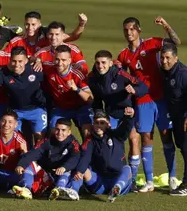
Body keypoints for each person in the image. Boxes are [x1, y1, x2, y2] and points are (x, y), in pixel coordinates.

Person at [117, 16, 181, 192]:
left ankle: (173, 176)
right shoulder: (123, 54)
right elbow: (118, 72)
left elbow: (176, 42)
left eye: (132, 29)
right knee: (146, 138)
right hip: (142, 101)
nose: (129, 32)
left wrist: (166, 25)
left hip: (161, 98)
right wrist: (128, 81)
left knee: (166, 135)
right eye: (126, 29)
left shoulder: (153, 43)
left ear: (139, 30)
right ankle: (150, 181)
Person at [88, 50, 148, 189]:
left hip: (128, 112)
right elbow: (97, 100)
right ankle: (108, 174)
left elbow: (143, 86)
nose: (100, 66)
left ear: (110, 63)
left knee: (134, 140)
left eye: (103, 63)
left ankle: (131, 180)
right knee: (112, 144)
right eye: (97, 63)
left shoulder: (121, 74)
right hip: (111, 114)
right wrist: (98, 113)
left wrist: (134, 90)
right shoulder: (93, 78)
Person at [68, 108, 135, 202]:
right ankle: (73, 191)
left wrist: (129, 117)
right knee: (83, 170)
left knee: (127, 169)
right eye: (96, 123)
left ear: (108, 124)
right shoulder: (90, 140)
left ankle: (116, 189)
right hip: (99, 182)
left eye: (102, 123)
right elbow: (85, 158)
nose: (99, 126)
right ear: (93, 124)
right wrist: (80, 171)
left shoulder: (116, 135)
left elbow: (125, 128)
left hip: (116, 178)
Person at [0, 46, 47, 142]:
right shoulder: (3, 73)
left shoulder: (35, 70)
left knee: (40, 139)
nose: (17, 64)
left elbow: (49, 85)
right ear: (10, 60)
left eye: (20, 61)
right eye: (14, 61)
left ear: (26, 61)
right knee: (16, 139)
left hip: (36, 110)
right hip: (16, 111)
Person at [11, 118, 80, 200]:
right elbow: (33, 153)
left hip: (62, 174)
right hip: (46, 175)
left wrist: (64, 167)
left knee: (72, 170)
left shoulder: (74, 143)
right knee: (30, 164)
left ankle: (59, 190)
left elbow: (75, 158)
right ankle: (26, 188)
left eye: (63, 130)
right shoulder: (47, 141)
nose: (59, 133)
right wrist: (21, 165)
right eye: (57, 129)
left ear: (69, 132)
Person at [43, 45, 93, 137]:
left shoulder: (77, 75)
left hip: (80, 107)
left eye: (64, 60)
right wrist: (37, 60)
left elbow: (90, 98)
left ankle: (86, 150)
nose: (60, 63)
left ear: (70, 61)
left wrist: (76, 89)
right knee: (53, 133)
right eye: (57, 59)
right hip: (61, 109)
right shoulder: (49, 71)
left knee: (88, 133)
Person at [160, 44, 187, 196]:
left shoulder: (183, 74)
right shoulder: (165, 72)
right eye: (162, 58)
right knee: (182, 147)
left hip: (184, 117)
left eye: (168, 58)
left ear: (175, 58)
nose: (164, 61)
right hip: (176, 117)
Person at [4, 11, 88, 57]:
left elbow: (73, 36)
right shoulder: (16, 42)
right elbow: (3, 57)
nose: (30, 27)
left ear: (39, 24)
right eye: (27, 24)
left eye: (33, 25)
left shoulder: (50, 38)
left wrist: (82, 24)